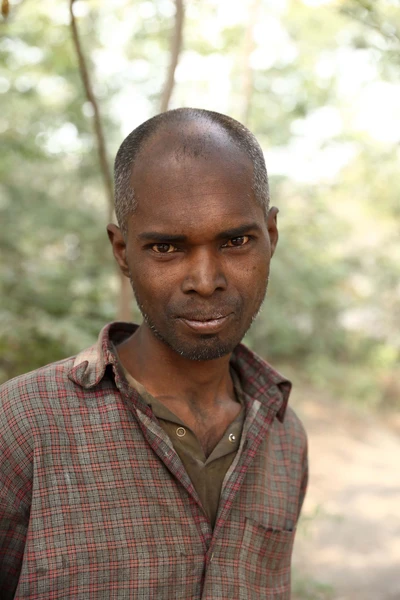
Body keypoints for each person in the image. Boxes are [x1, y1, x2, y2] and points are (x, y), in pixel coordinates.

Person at [0, 108, 308, 599]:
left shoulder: (283, 433)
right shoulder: (22, 424)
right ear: (122, 251)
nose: (206, 281)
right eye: (167, 248)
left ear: (270, 237)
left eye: (236, 241)